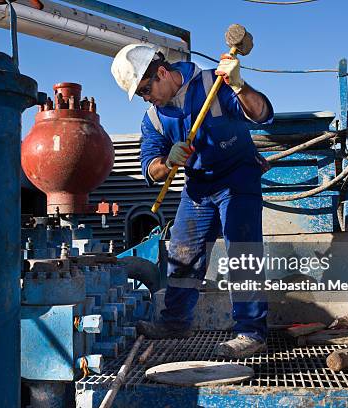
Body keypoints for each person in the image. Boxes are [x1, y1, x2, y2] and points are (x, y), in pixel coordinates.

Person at [111, 44, 274, 358]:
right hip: (198, 187)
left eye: (146, 89)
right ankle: (175, 323)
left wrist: (239, 86)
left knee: (242, 252)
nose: (147, 98)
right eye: (141, 95)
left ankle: (251, 333)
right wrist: (169, 161)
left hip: (238, 178)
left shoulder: (215, 83)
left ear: (161, 72)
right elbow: (151, 167)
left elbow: (263, 114)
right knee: (182, 255)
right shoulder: (154, 118)